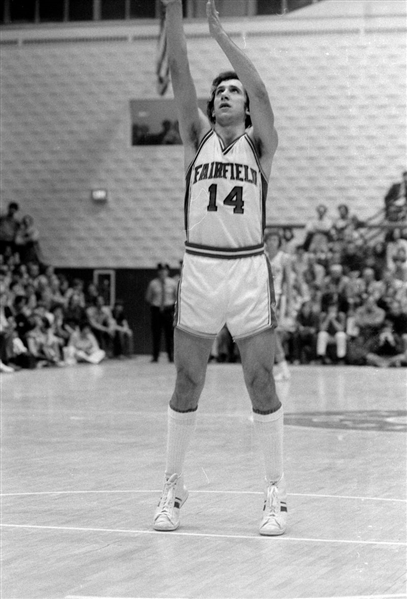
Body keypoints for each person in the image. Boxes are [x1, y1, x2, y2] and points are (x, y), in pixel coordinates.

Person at [153, 0, 286, 537]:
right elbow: (181, 72)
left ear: (245, 107)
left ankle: (275, 494)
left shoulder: (261, 145)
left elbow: (263, 91)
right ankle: (172, 486)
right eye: (220, 91)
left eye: (232, 91)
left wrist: (223, 37)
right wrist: (169, 12)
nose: (224, 95)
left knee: (260, 380)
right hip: (203, 270)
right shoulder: (196, 139)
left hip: (248, 271)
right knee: (187, 380)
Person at [265, 228, 292, 381]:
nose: (272, 242)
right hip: (263, 298)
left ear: (279, 242)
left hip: (278, 297)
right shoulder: (262, 257)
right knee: (268, 334)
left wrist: (290, 301)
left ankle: (283, 367)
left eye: (275, 240)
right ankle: (277, 366)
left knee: (273, 333)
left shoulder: (284, 258)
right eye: (269, 240)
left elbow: (288, 281)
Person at [145, 263, 177, 363]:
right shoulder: (153, 283)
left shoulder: (172, 283)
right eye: (160, 271)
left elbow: (176, 296)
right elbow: (148, 297)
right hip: (157, 310)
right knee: (156, 334)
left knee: (170, 334)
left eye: (164, 270)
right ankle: (155, 356)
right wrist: (156, 304)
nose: (162, 272)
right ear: (158, 272)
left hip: (168, 310)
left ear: (167, 272)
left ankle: (171, 356)